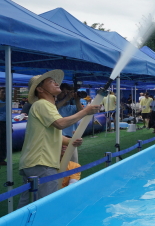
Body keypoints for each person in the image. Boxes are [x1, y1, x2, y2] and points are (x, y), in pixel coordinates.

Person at [18, 70, 100, 208]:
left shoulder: (46, 106)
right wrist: (85, 111)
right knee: (47, 205)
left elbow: (52, 134)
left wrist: (70, 141)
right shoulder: (42, 104)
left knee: (26, 207)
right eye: (51, 82)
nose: (57, 83)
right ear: (39, 89)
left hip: (34, 163)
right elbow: (60, 124)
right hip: (41, 163)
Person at [56, 83, 84, 163]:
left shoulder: (71, 107)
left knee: (73, 164)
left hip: (71, 139)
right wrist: (66, 99)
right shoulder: (52, 106)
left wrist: (77, 100)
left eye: (67, 92)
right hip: (56, 139)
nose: (65, 94)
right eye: (63, 92)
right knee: (58, 165)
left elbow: (81, 113)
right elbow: (54, 108)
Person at [0, 87, 6, 165]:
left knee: (5, 142)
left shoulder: (8, 101)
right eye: (2, 92)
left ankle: (2, 159)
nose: (4, 94)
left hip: (6, 124)